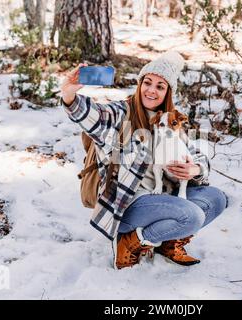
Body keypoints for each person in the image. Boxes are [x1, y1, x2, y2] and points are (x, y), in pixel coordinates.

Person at [61, 51, 229, 269]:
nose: (151, 90)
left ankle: (168, 242)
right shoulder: (121, 113)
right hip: (129, 205)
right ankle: (129, 242)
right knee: (192, 216)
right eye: (147, 82)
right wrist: (69, 95)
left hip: (163, 197)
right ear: (139, 84)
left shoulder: (170, 120)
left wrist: (194, 169)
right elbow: (91, 114)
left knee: (216, 198)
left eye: (160, 86)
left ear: (168, 92)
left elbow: (195, 153)